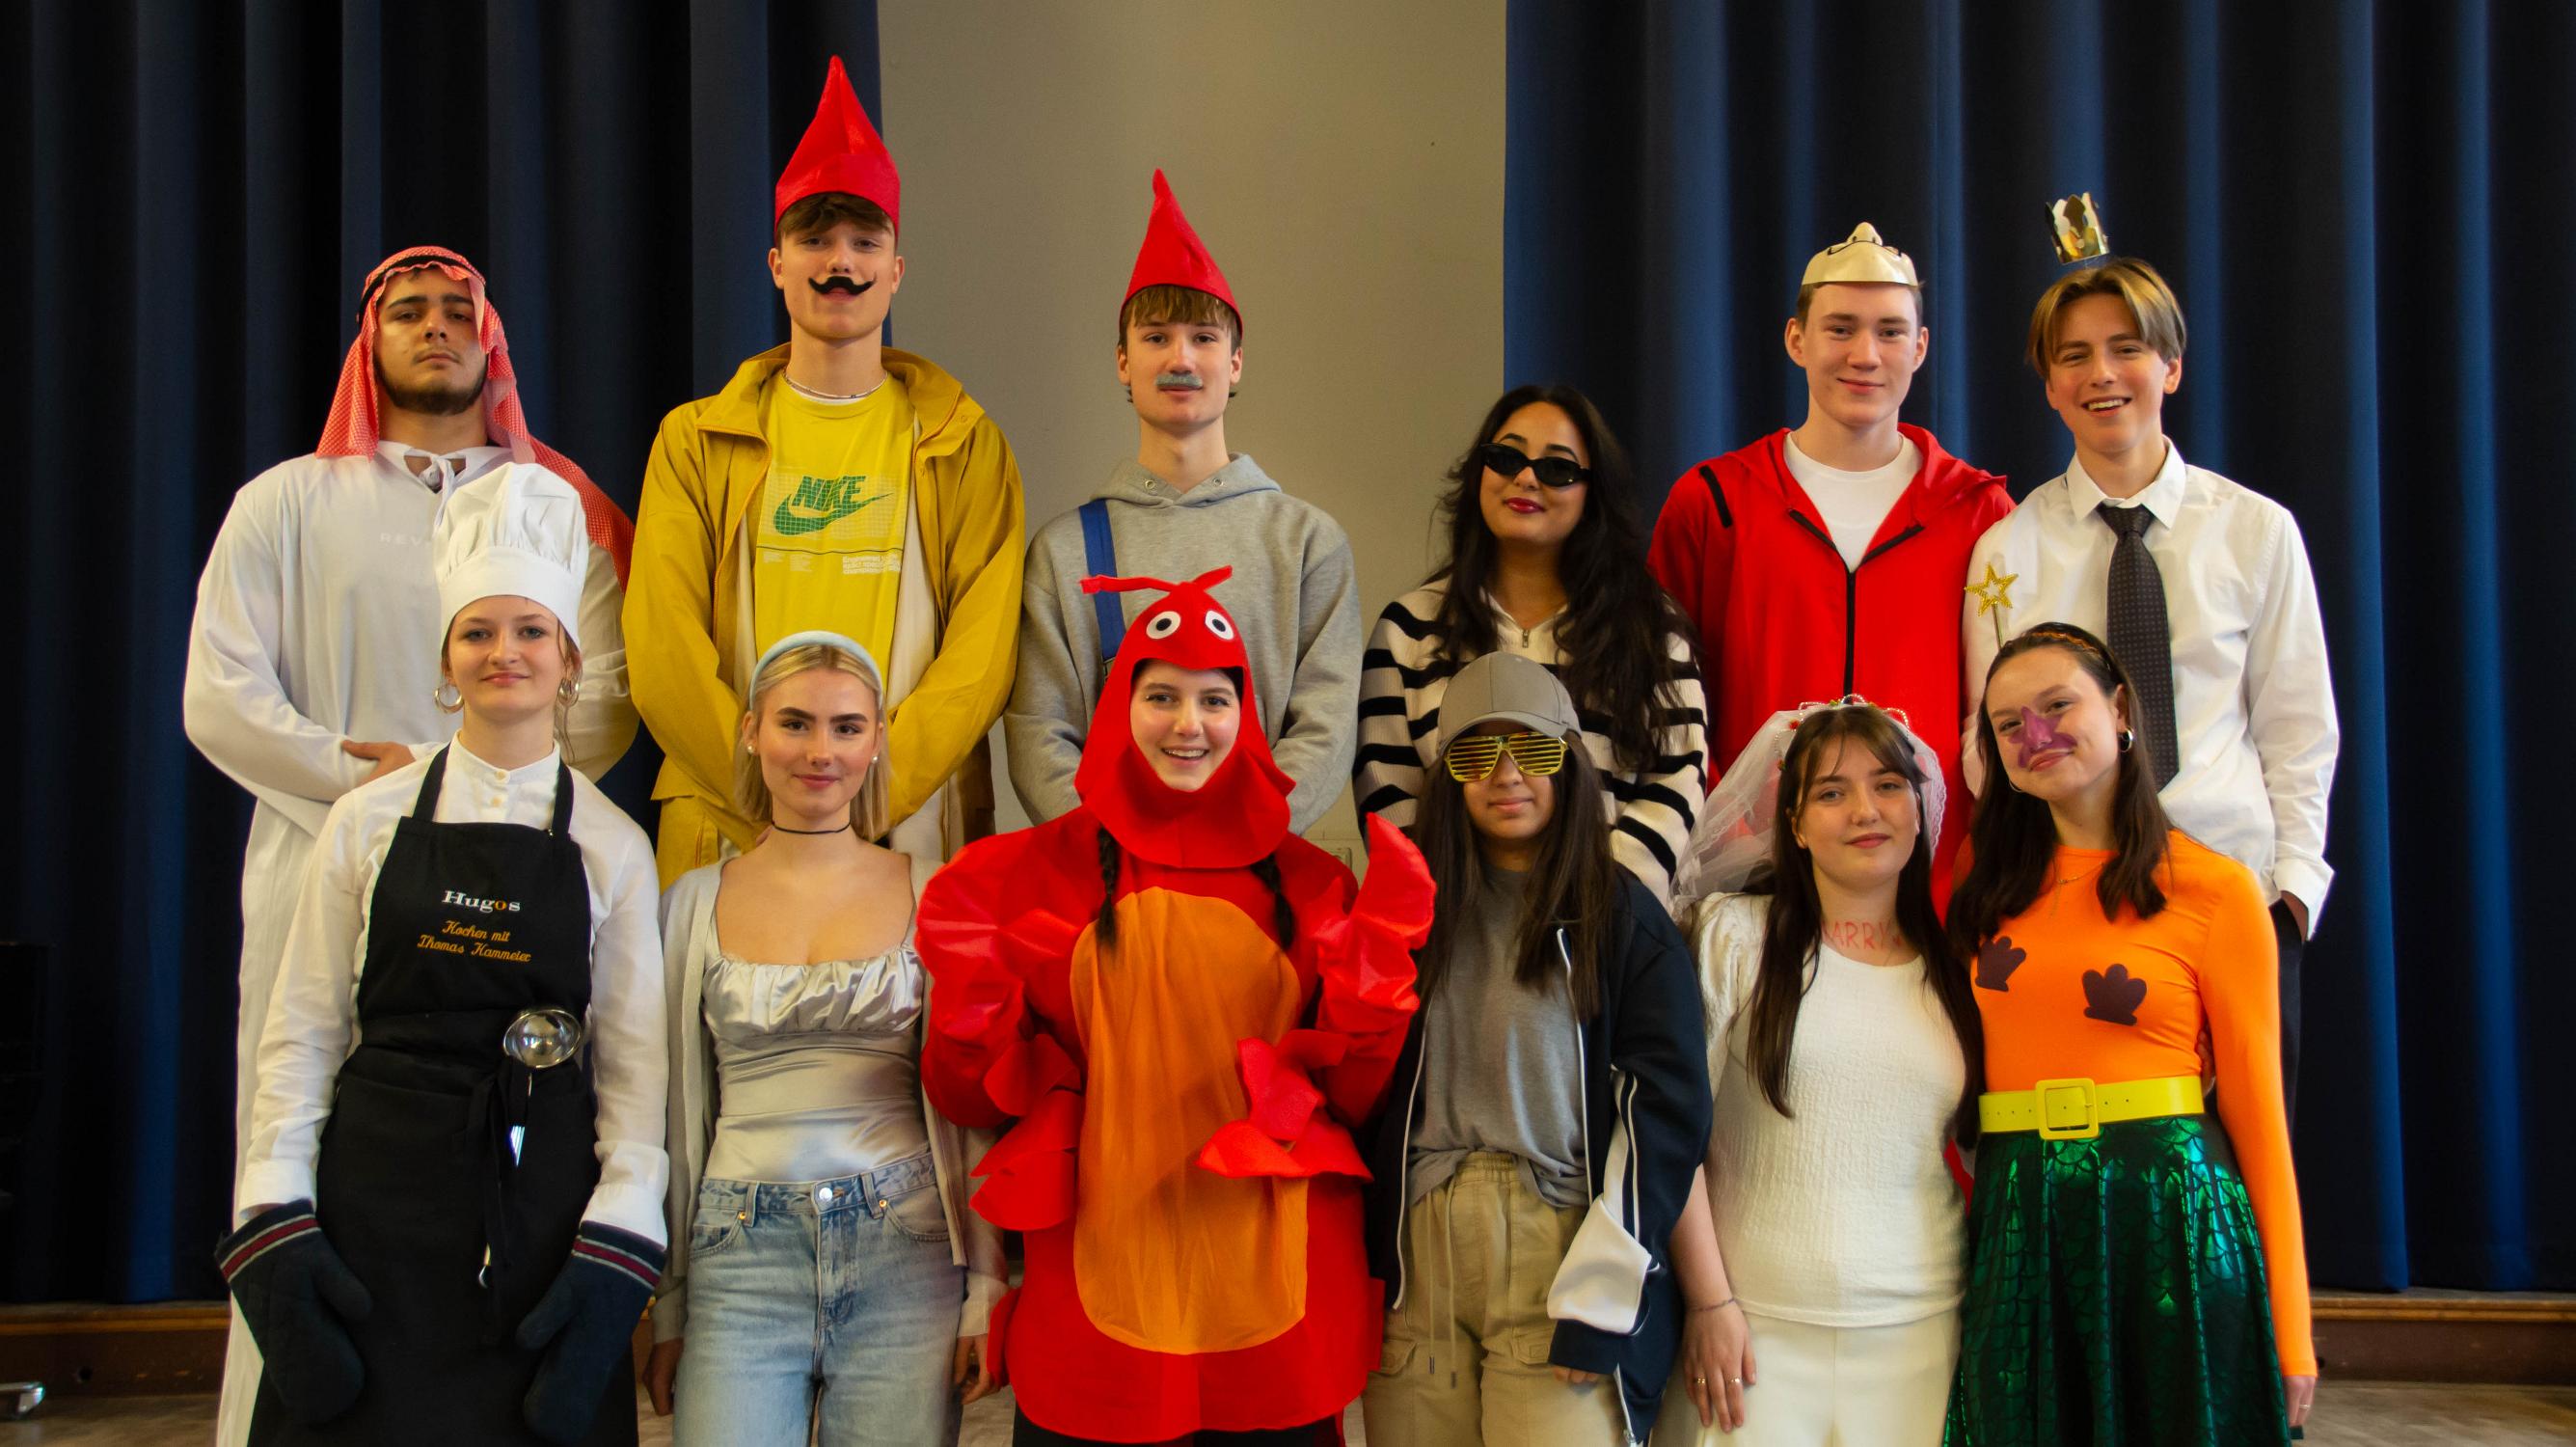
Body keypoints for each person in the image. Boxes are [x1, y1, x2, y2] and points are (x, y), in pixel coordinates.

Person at [185, 245, 637, 1446]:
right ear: (367, 341)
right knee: (294, 1132)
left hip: (518, 871)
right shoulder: (287, 502)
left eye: (458, 310)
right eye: (408, 311)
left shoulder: (556, 501)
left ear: (493, 341)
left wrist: (493, 797)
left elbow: (604, 703)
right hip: (321, 863)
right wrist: (363, 785)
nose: (436, 328)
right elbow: (220, 695)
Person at [917, 568, 1431, 1444]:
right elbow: (970, 1099)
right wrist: (970, 1012)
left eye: (1213, 699)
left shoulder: (1315, 887)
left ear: (1245, 715)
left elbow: (1355, 1102)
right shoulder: (1030, 877)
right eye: (1162, 696)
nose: (1188, 724)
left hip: (1275, 1286)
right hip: (1099, 1288)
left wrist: (1376, 989)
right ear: (1120, 706)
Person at [627, 55, 1024, 885]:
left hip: (906, 824)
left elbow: (981, 657)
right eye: (813, 239)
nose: (839, 261)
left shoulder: (963, 442)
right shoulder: (695, 441)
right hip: (730, 824)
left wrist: (863, 797)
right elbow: (663, 650)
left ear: (895, 270)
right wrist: (768, 794)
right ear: (776, 263)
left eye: (863, 242)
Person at [1962, 255, 2337, 1113]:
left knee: (2243, 1150)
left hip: (2232, 892)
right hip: (2074, 904)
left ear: (2169, 366)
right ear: (2049, 388)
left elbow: (2296, 725)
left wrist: (2291, 892)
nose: (2100, 374)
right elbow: (1990, 741)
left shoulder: (2254, 531)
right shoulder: (2006, 553)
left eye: (2125, 349)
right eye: (2073, 356)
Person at [1945, 623, 2314, 1443]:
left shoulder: (2216, 890)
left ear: (2118, 710)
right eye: (2007, 724)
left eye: (2056, 706)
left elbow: (2260, 1121)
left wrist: (2290, 1327)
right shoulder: (1982, 880)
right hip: (2021, 1210)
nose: (2034, 734)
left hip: (2167, 1216)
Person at [646, 629, 1008, 1442]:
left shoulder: (936, 890)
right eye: (795, 723)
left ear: (876, 741)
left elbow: (969, 1102)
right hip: (736, 1255)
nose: (820, 752)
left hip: (908, 1247)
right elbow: (673, 1111)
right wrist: (671, 1301)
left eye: (846, 727)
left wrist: (986, 1285)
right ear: (751, 732)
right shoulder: (690, 903)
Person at [1359, 652, 1708, 1444]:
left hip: (1559, 1243)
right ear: (1446, 777)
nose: (1505, 775)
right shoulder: (1404, 909)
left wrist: (1603, 1290)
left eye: (1533, 750)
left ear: (1570, 762)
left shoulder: (1622, 918)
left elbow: (1665, 1119)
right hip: (1418, 1249)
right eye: (1475, 755)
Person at [1653, 699, 1979, 1447]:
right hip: (1749, 1336)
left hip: (1921, 1329)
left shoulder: (1958, 968)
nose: (1865, 810)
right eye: (1831, 792)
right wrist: (1708, 1302)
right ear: (1794, 825)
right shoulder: (1735, 938)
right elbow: (1670, 1136)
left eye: (1887, 785)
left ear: (1920, 808)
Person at [1647, 222, 2009, 887]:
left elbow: (1997, 709)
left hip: (1932, 888)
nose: (1864, 355)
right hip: (1756, 880)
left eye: (1890, 331)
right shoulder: (1714, 503)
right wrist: (1733, 831)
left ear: (1921, 347)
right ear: (1797, 339)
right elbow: (1662, 695)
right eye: (1840, 328)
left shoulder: (1978, 512)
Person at [1010, 170, 1360, 833]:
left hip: (1259, 863)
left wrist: (1240, 838)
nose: (1181, 358)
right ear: (1122, 361)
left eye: (1203, 338)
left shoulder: (1307, 542)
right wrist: (1114, 849)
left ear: (1235, 362)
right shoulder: (1064, 550)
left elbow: (1328, 719)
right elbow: (1038, 727)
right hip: (1108, 874)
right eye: (1155, 337)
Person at [1356, 384, 1706, 910]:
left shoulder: (1650, 628)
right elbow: (1387, 792)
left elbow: (1678, 777)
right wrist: (1462, 914)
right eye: (1506, 458)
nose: (1525, 478)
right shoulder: (1409, 629)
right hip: (1454, 927)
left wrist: (1596, 905)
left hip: (1609, 926)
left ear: (1592, 492)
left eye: (1557, 468)